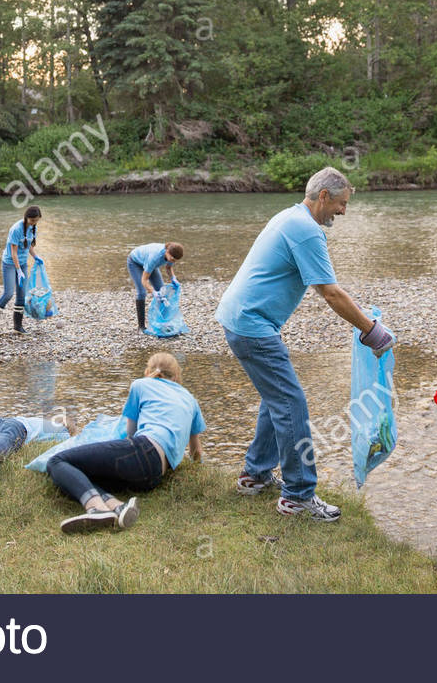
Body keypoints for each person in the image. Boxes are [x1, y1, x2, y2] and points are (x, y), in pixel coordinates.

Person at [214, 167, 394, 522]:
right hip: (252, 326)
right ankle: (297, 496)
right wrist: (371, 331)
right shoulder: (306, 230)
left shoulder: (289, 216)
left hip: (241, 320)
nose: (343, 212)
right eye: (341, 204)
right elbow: (329, 292)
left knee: (276, 399)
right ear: (323, 196)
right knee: (292, 404)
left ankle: (255, 475)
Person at [46, 352, 204, 534]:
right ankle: (117, 506)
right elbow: (196, 452)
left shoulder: (141, 384)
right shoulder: (191, 399)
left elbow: (130, 433)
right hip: (154, 476)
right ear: (176, 376)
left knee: (57, 462)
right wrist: (197, 471)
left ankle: (96, 508)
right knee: (83, 474)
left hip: (143, 449)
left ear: (148, 371)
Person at [0, 205, 41, 336]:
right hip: (10, 263)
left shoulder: (33, 228)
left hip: (22, 263)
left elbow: (29, 246)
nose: (34, 223)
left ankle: (18, 326)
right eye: (32, 220)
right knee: (8, 293)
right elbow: (13, 252)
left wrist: (36, 257)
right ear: (27, 217)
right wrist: (18, 270)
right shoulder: (16, 229)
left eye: (36, 220)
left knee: (22, 294)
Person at [127, 242, 184, 332]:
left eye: (175, 260)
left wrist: (173, 278)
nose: (173, 261)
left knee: (162, 292)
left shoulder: (171, 255)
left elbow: (168, 267)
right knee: (142, 292)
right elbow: (144, 280)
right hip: (135, 263)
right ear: (167, 251)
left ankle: (163, 323)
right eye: (172, 259)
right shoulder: (155, 257)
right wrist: (153, 292)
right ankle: (141, 327)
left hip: (150, 264)